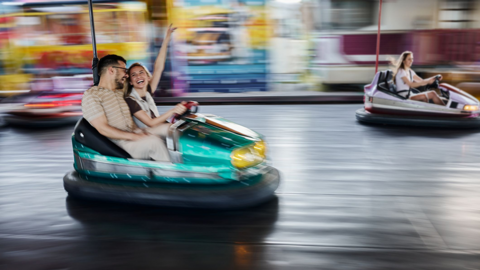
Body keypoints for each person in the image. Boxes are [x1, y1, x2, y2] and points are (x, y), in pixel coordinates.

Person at [81, 54, 171, 162]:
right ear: (112, 70)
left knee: (170, 129)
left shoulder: (120, 92)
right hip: (122, 143)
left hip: (136, 133)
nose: (127, 75)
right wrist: (134, 136)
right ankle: (171, 176)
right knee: (155, 143)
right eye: (124, 70)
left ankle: (188, 163)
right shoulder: (92, 95)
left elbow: (153, 74)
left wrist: (139, 132)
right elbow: (102, 128)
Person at [124, 24, 186, 130]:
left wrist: (167, 37)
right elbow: (151, 123)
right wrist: (173, 111)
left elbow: (158, 68)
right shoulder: (131, 100)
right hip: (149, 136)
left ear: (148, 77)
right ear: (130, 82)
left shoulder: (148, 91)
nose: (138, 76)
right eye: (134, 75)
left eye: (141, 72)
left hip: (159, 129)